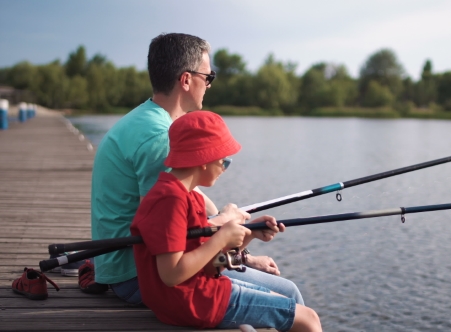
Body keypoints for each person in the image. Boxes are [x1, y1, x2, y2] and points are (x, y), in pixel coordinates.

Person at [89, 32, 303, 304]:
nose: (210, 85)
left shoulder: (147, 120)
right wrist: (226, 226)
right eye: (208, 77)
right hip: (137, 275)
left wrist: (239, 239)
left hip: (125, 265)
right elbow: (164, 228)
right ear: (187, 80)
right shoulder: (159, 139)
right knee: (290, 294)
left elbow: (189, 200)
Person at [130, 111, 321, 331]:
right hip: (189, 302)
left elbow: (210, 268)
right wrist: (221, 238)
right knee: (308, 320)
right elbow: (171, 275)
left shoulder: (188, 196)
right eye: (223, 160)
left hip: (197, 292)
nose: (224, 168)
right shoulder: (169, 199)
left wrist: (247, 235)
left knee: (296, 306)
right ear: (203, 158)